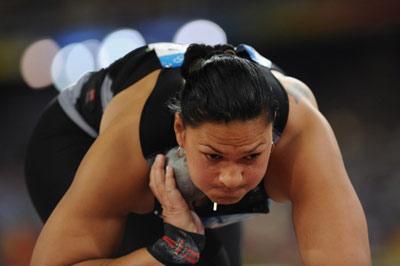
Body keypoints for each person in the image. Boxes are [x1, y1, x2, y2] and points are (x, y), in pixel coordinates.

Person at [25, 42, 371, 265]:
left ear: (273, 134)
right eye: (214, 156)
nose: (232, 179)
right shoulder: (133, 146)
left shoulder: (303, 134)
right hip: (74, 141)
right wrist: (170, 248)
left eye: (251, 156)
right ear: (180, 132)